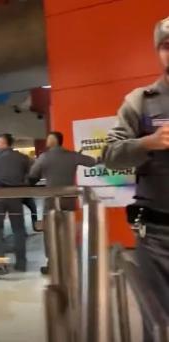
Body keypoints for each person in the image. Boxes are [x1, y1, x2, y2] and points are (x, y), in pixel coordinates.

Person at [102, 18, 169, 341]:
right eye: (167, 45)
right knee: (156, 324)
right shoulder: (140, 100)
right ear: (159, 51)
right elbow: (109, 154)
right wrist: (148, 143)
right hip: (157, 236)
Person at [29, 131, 96, 274]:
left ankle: (52, 263)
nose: (46, 141)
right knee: (68, 230)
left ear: (53, 140)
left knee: (50, 232)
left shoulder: (44, 157)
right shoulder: (72, 155)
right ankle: (69, 262)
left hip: (52, 200)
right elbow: (91, 162)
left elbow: (32, 175)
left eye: (48, 139)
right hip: (69, 200)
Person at [0, 134, 32, 278]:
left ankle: (0, 265)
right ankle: (21, 263)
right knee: (18, 229)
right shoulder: (22, 158)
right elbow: (32, 171)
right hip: (16, 194)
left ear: (1, 142)